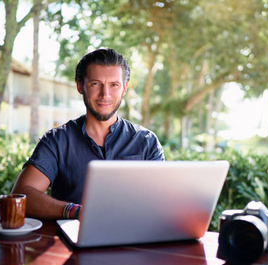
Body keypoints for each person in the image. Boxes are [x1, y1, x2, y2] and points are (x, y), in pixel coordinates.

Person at [11, 48, 164, 220]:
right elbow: (21, 195)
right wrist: (76, 212)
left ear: (124, 88)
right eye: (95, 84)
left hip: (135, 239)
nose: (105, 94)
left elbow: (162, 203)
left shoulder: (146, 142)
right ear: (80, 86)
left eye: (114, 85)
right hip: (71, 243)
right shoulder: (57, 140)